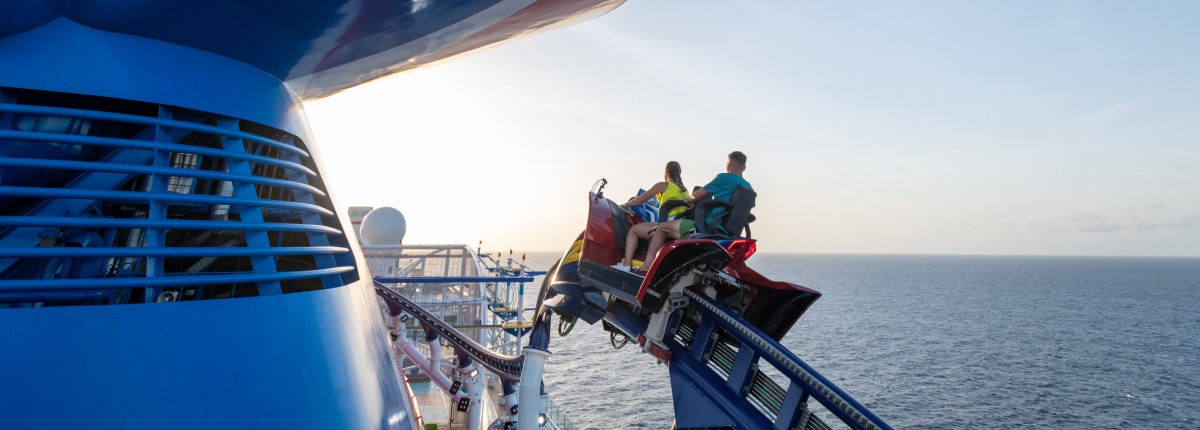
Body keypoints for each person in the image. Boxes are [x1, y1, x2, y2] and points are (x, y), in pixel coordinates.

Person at [643, 151, 753, 263]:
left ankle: (646, 267)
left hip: (710, 227)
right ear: (744, 167)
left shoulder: (723, 178)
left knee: (662, 227)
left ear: (729, 164)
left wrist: (687, 200)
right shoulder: (749, 188)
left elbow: (698, 194)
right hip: (729, 234)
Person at [612, 161, 688, 271]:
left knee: (633, 230)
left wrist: (626, 205)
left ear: (666, 173)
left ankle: (626, 264)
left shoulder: (663, 185)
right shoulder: (685, 191)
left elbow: (640, 199)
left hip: (665, 225)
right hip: (678, 226)